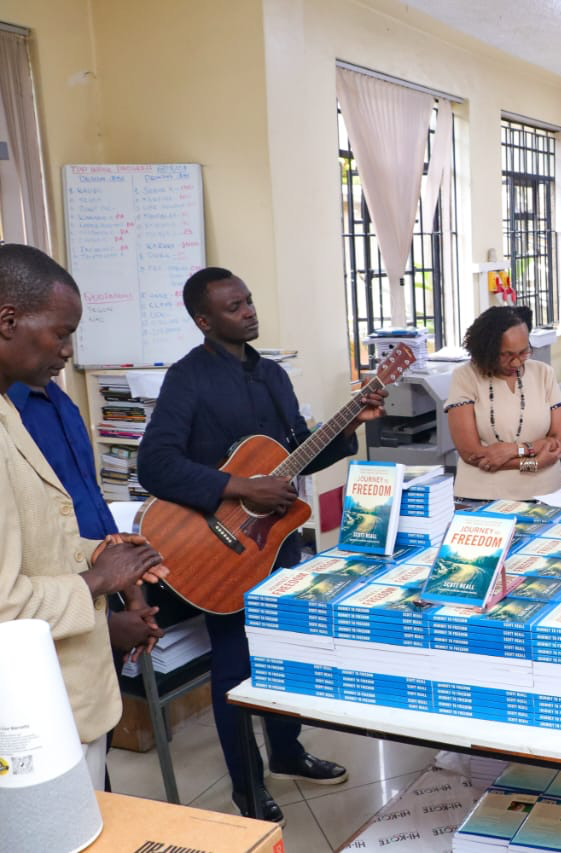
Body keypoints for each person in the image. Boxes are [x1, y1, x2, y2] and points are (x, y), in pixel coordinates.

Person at [137, 266, 385, 821]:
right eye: (233, 306)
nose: (248, 311)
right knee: (236, 665)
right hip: (218, 551)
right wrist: (238, 485)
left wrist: (349, 428)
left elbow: (297, 452)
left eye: (248, 301)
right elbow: (154, 464)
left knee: (284, 651)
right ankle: (247, 788)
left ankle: (288, 754)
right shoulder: (188, 379)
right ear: (204, 320)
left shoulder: (272, 376)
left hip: (274, 543)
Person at [0, 243, 167, 790]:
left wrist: (102, 553)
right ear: (8, 321)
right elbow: (5, 602)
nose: (69, 350)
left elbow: (50, 524)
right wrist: (99, 581)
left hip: (70, 684)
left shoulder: (20, 404)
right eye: (61, 333)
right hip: (33, 705)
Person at [9, 380, 164, 662]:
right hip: (61, 612)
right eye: (59, 335)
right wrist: (105, 622)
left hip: (103, 588)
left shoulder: (60, 400)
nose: (68, 351)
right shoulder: (11, 419)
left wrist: (132, 594)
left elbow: (90, 503)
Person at [446, 306, 561, 500]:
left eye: (523, 352)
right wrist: (535, 460)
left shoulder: (543, 373)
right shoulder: (465, 377)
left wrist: (513, 450)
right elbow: (473, 454)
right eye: (506, 355)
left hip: (548, 494)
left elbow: (559, 442)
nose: (516, 362)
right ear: (486, 349)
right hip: (483, 496)